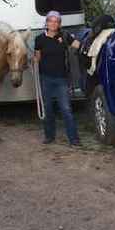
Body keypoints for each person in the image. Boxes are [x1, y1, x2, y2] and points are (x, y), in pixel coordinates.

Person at [34, 10, 82, 146]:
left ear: (59, 24)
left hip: (61, 79)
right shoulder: (39, 39)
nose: (53, 24)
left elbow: (79, 46)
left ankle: (74, 139)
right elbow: (38, 57)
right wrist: (33, 61)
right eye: (51, 21)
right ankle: (49, 136)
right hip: (46, 78)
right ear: (47, 23)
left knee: (66, 109)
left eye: (56, 21)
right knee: (48, 109)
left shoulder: (65, 36)